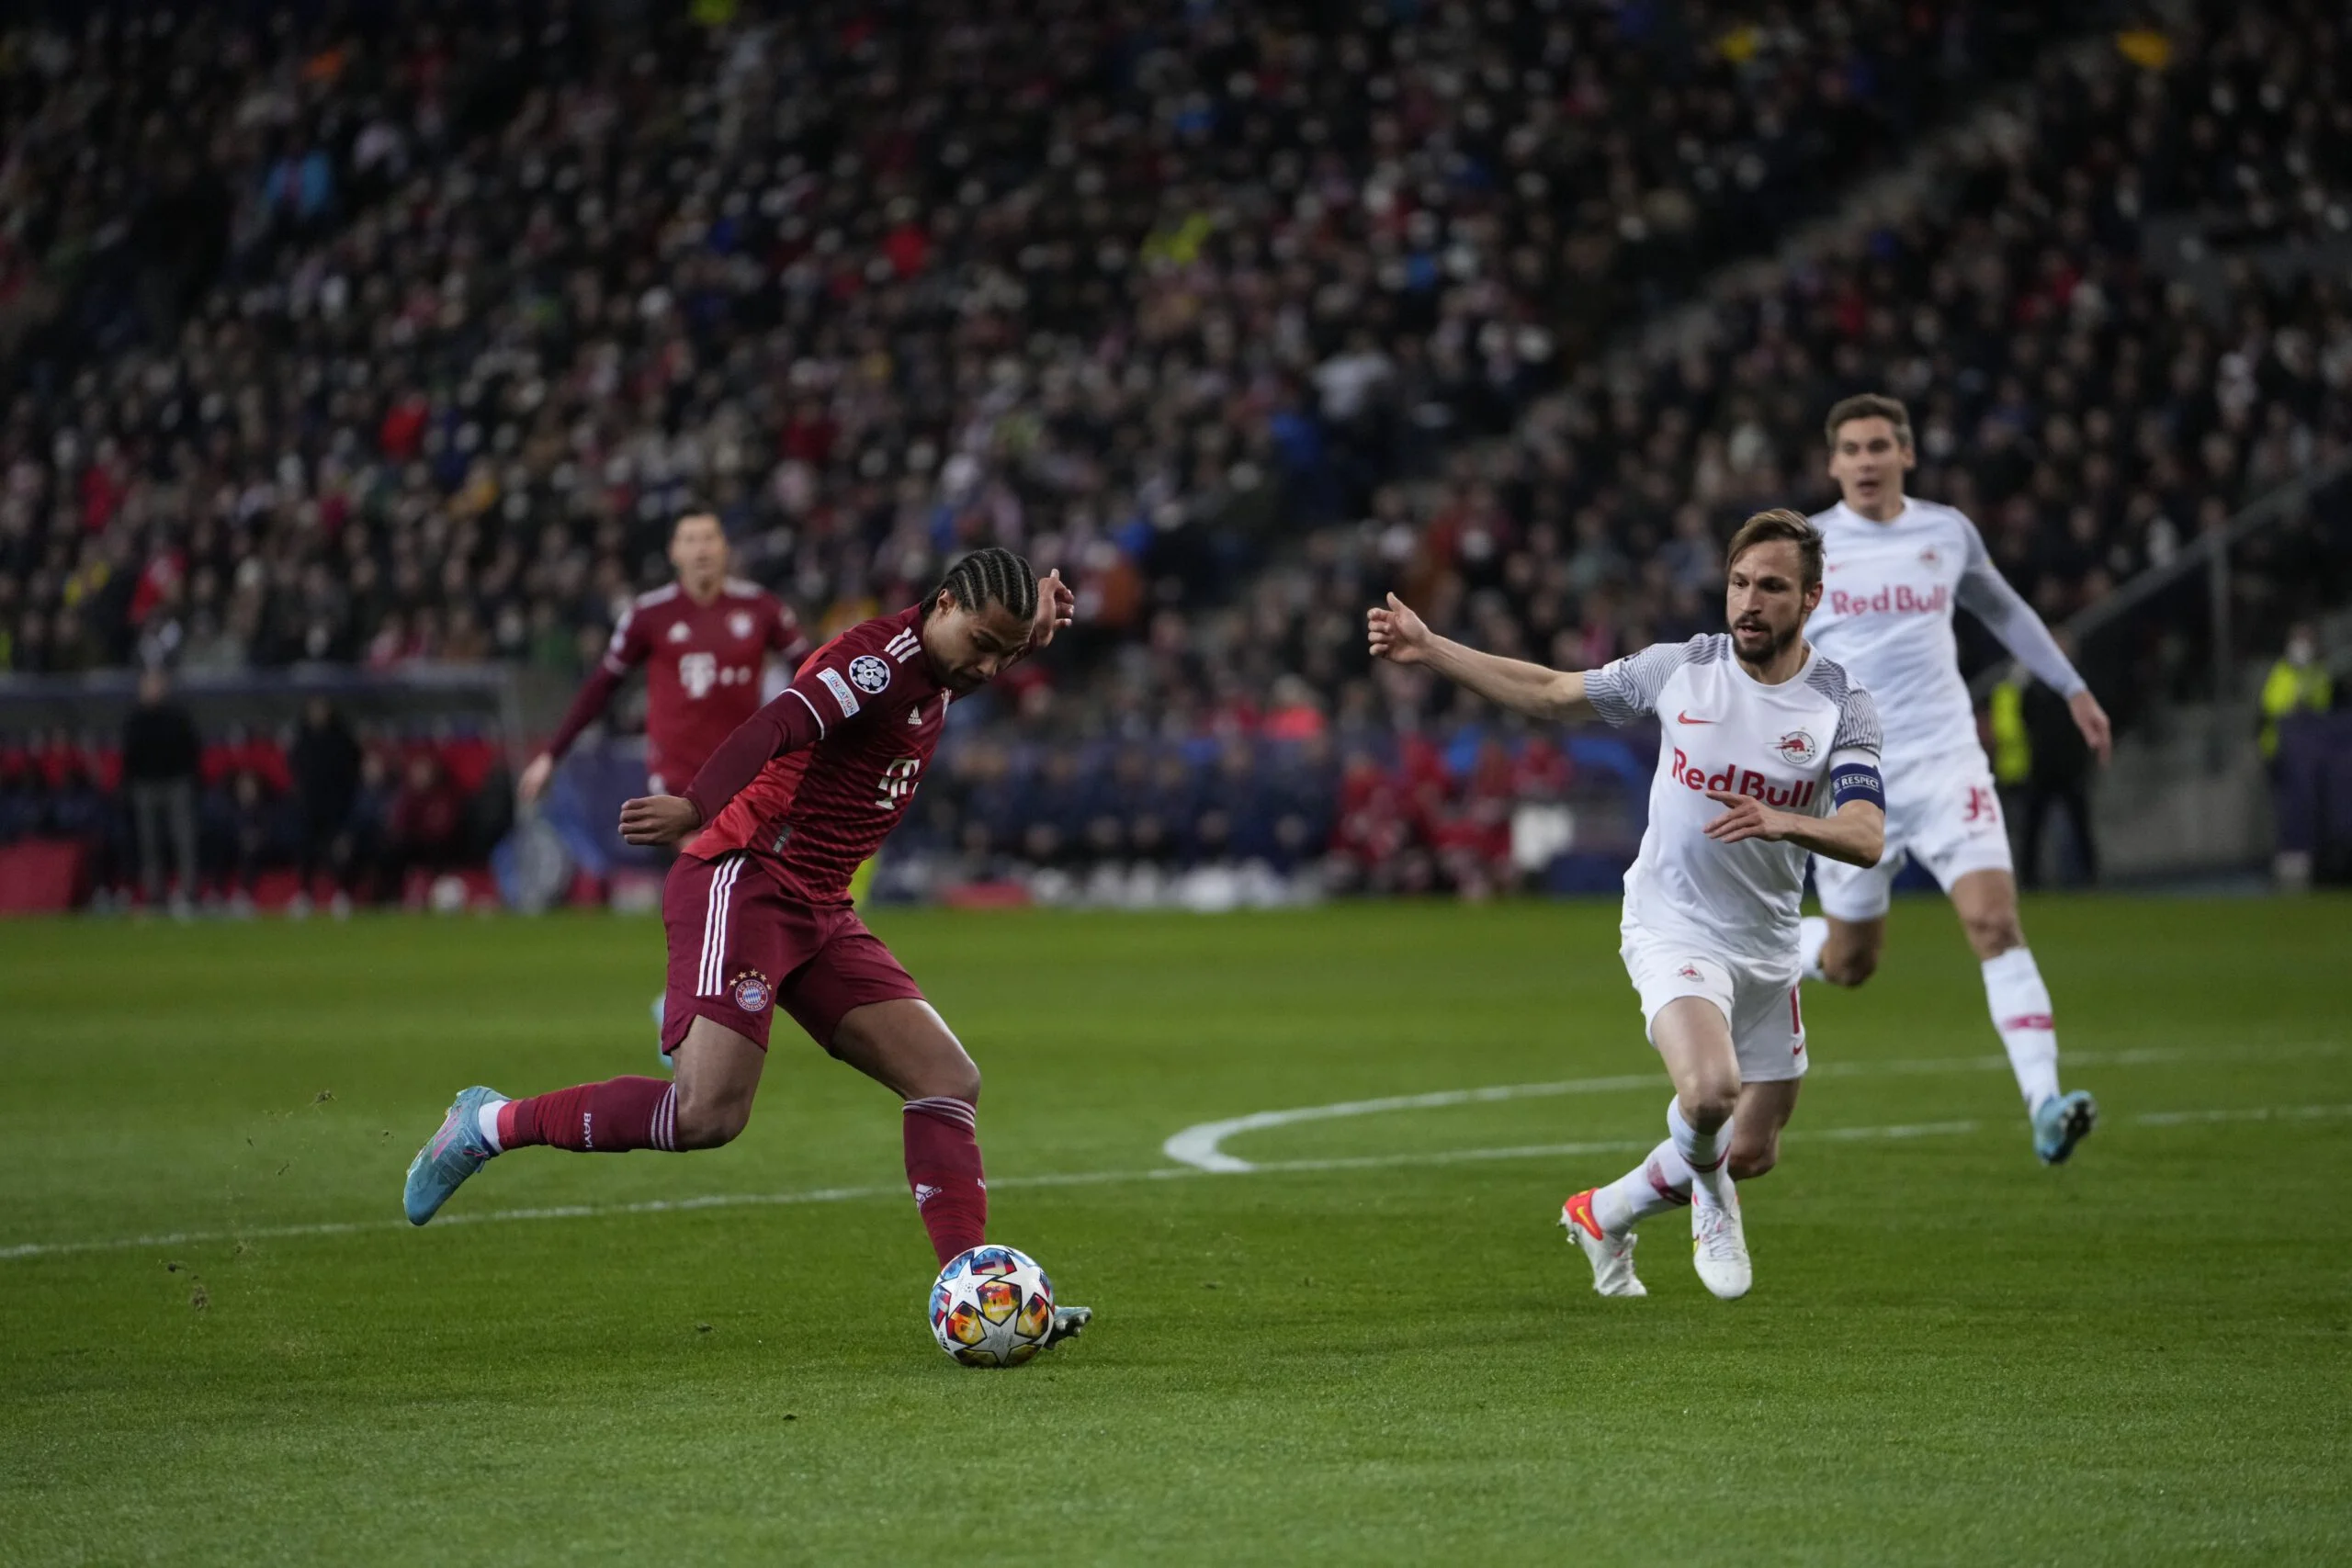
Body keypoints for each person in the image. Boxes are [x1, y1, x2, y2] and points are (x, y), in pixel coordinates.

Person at [401, 548, 1092, 1346]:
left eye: (1003, 653)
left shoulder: (959, 650)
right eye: (980, 643)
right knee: (705, 1114)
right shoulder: (873, 665)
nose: (988, 666)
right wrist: (696, 804)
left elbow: (997, 635)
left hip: (820, 903)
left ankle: (983, 1297)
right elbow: (779, 721)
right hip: (747, 877)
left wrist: (1030, 621)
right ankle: (487, 1125)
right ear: (940, 604)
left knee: (945, 1078)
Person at [1370, 510, 1886, 1301]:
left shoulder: (1843, 703)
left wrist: (1786, 819)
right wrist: (1430, 647)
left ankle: (1603, 1212)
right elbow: (1551, 692)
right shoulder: (1679, 668)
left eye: (1772, 587)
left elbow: (1864, 833)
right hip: (1670, 921)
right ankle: (1713, 1203)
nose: (1749, 601)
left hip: (1768, 943)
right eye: (1739, 583)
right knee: (1710, 1094)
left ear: (1811, 598)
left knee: (1752, 1148)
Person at [1798, 394, 2109, 1165]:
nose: (1866, 460)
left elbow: (2004, 611)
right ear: (1833, 463)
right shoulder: (1808, 547)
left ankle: (2044, 1104)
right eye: (1851, 449)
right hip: (1854, 776)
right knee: (1851, 963)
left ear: (1906, 453)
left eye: (1879, 445)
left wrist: (2071, 686)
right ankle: (1769, 944)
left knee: (1995, 923)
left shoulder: (1946, 532)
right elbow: (1764, 647)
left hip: (1947, 763)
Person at [517, 512, 809, 807]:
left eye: (709, 538)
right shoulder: (649, 614)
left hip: (743, 775)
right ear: (674, 551)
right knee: (696, 851)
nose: (701, 549)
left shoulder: (762, 608)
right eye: (690, 540)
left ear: (725, 548)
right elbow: (601, 686)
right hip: (676, 781)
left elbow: (812, 671)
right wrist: (551, 755)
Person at [121, 668, 202, 918]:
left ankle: (189, 893)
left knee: (184, 840)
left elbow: (192, 748)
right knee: (150, 843)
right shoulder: (135, 719)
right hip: (145, 786)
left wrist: (187, 776)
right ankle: (155, 895)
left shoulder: (178, 717)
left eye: (156, 684)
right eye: (148, 685)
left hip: (176, 783)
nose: (152, 690)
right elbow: (128, 755)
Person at [288, 696, 362, 918]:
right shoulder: (302, 740)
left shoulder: (342, 741)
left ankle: (342, 894)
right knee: (305, 851)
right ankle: (305, 894)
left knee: (338, 852)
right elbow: (296, 772)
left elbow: (351, 775)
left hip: (337, 806)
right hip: (309, 806)